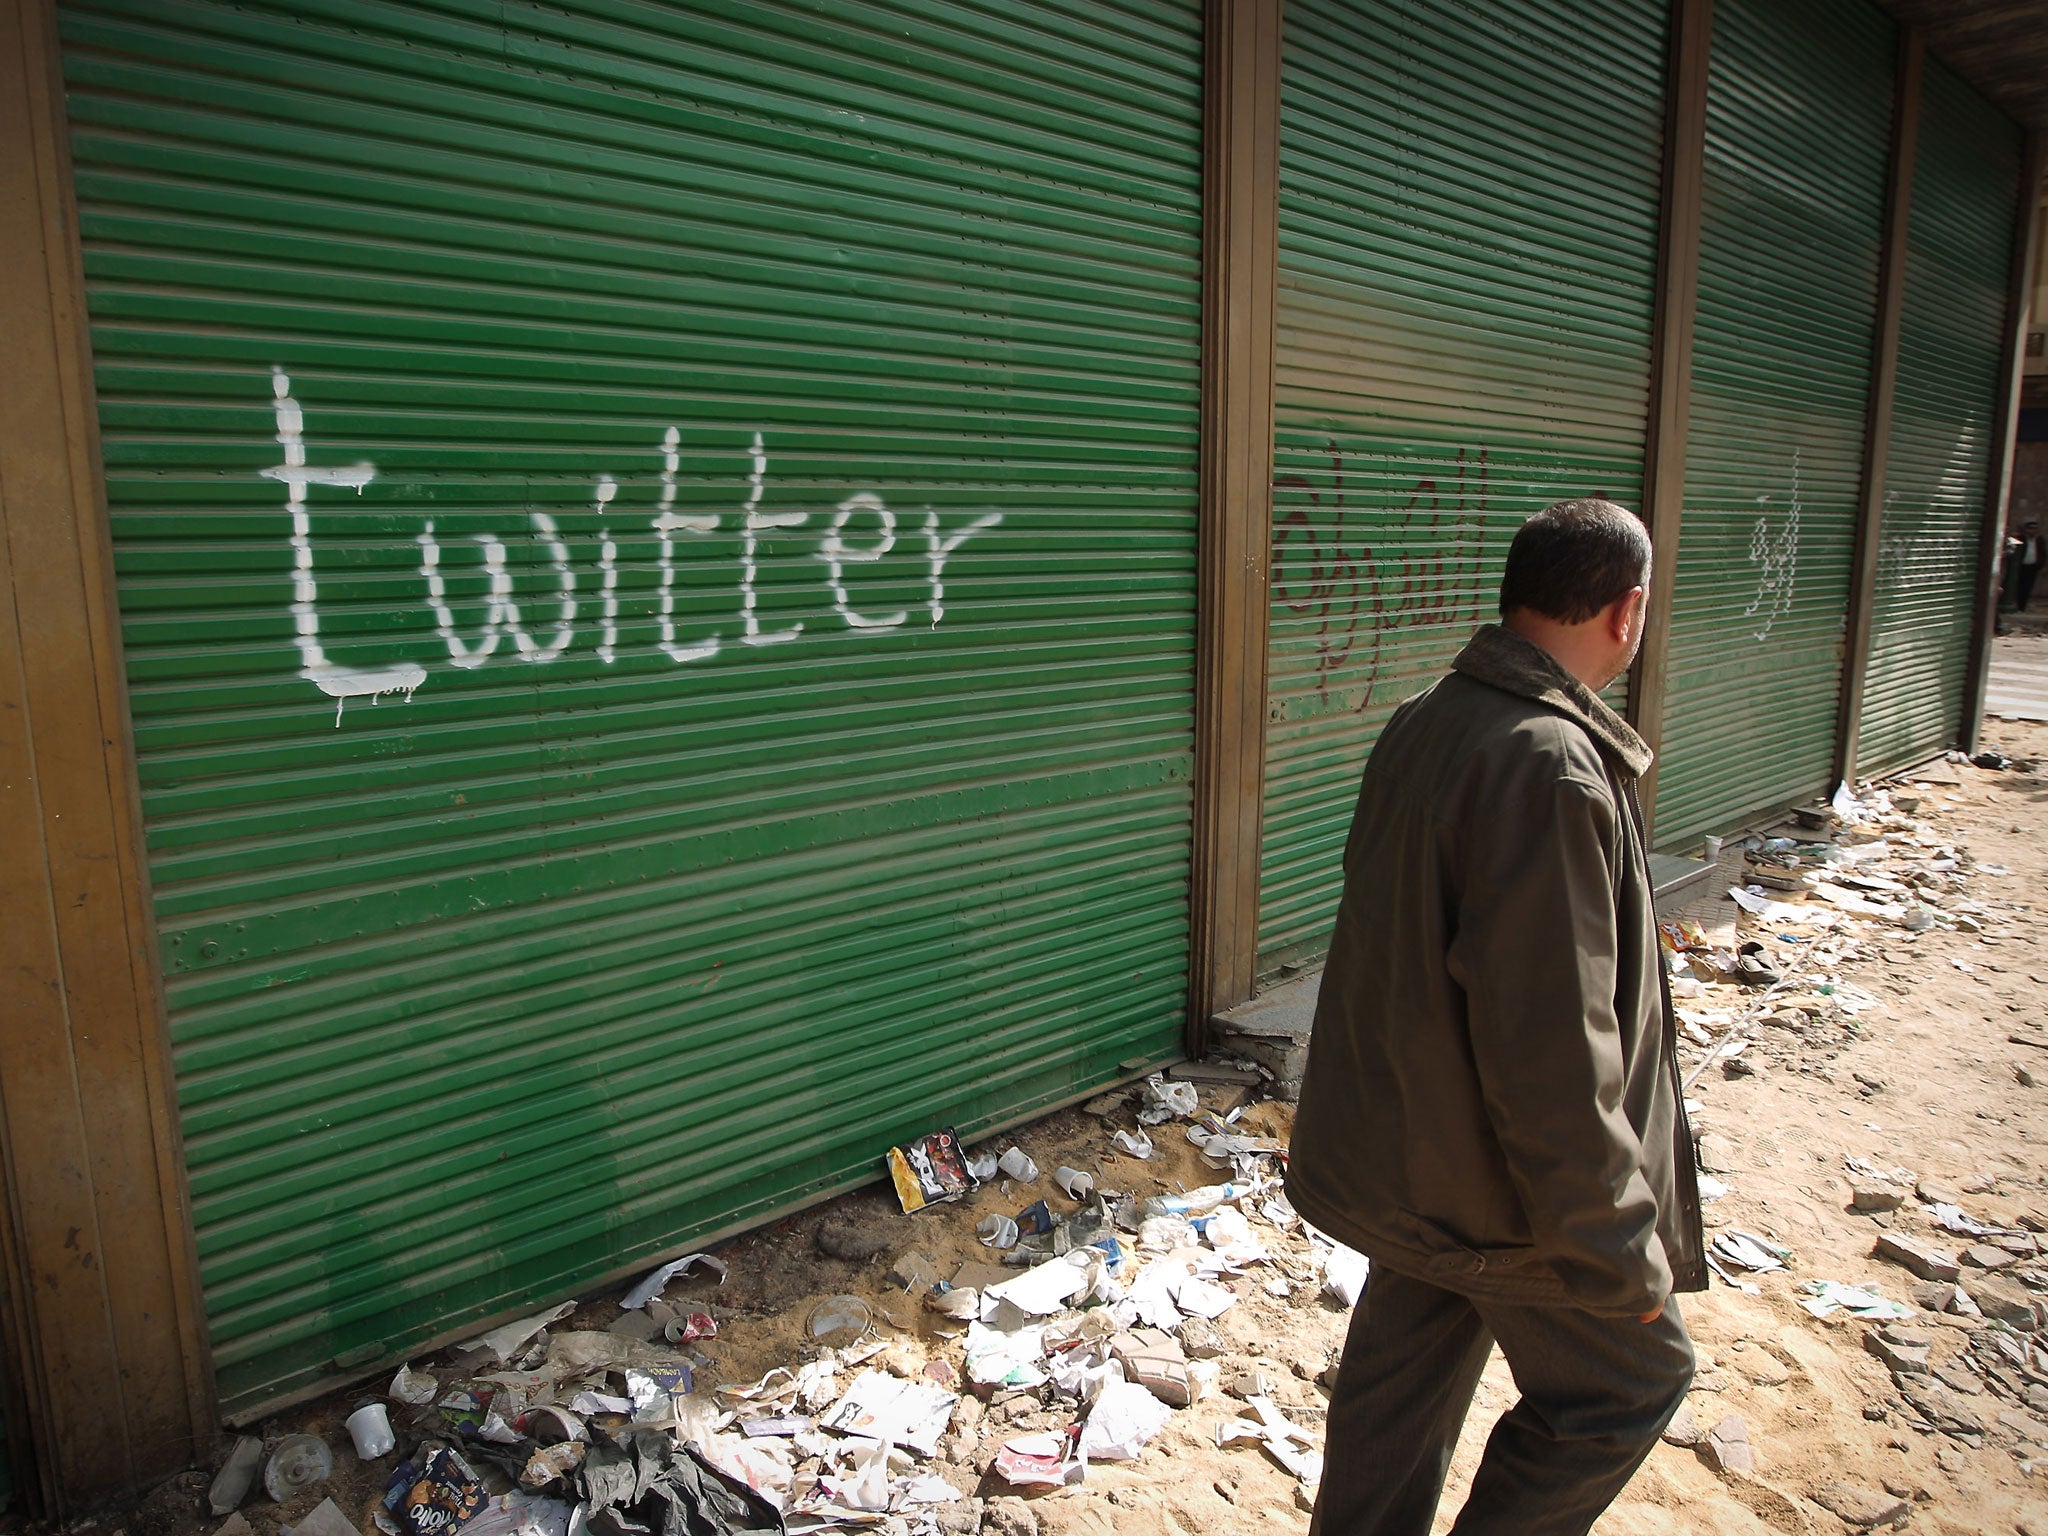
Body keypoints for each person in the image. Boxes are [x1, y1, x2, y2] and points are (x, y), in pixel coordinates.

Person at [1288, 498, 1705, 1536]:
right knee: (1627, 1384)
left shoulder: (1429, 718)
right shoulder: (1548, 763)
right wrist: (1615, 1251)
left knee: (1392, 1407)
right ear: (1626, 611)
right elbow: (1552, 1050)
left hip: (1411, 1162)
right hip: (1497, 1194)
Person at [2015, 520, 2043, 614]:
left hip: (2032, 567)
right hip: (2021, 566)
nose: (2032, 531)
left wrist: (2040, 565)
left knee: (2027, 587)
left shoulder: (2039, 540)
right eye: (2030, 528)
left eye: (2035, 528)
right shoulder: (2020, 538)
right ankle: (2017, 606)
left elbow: (2042, 553)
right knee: (2019, 586)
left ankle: (2022, 607)